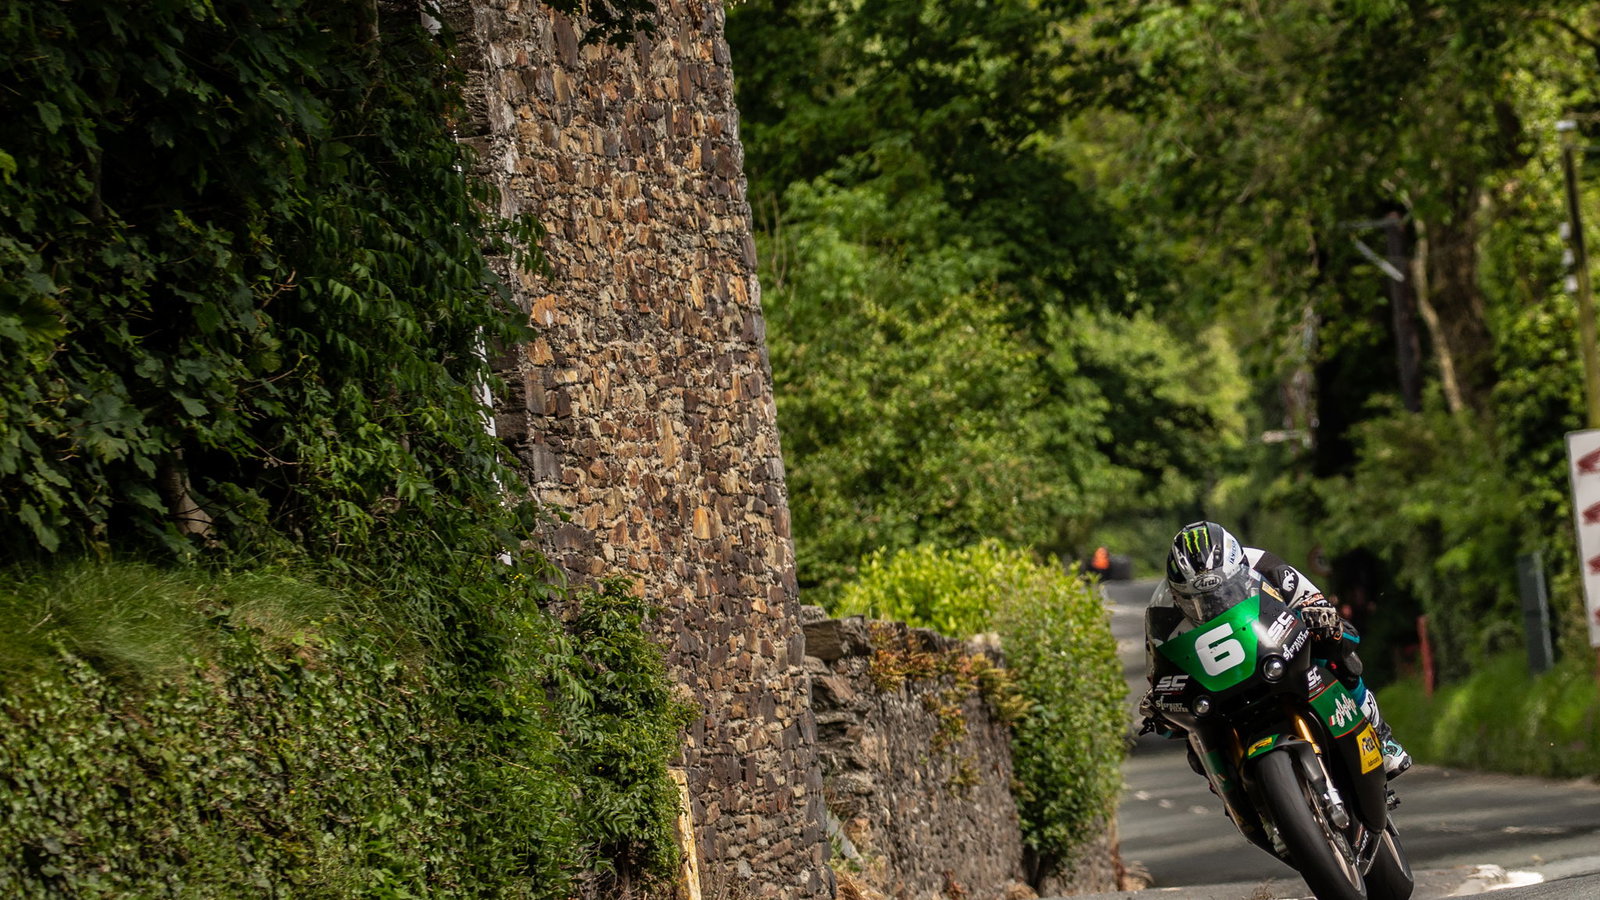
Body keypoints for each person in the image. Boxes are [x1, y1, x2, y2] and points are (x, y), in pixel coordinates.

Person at [1141, 520, 1411, 779]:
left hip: (1269, 647)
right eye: (1194, 600)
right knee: (1194, 740)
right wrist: (1155, 699)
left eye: (1222, 591)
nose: (1209, 605)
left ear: (1239, 567)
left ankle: (1380, 733)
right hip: (1215, 682)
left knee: (1336, 644)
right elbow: (1157, 668)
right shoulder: (1160, 611)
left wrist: (1319, 615)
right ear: (1177, 594)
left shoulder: (1263, 563)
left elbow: (1310, 598)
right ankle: (1233, 797)